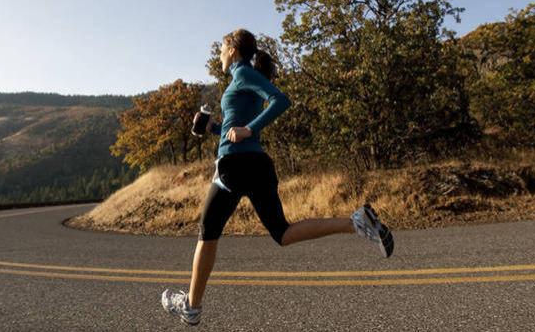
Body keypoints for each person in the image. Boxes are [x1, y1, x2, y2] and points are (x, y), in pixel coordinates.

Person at [161, 28, 393, 326]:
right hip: (256, 164)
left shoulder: (243, 73)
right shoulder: (243, 80)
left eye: (221, 48)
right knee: (282, 233)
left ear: (233, 49)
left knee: (207, 232)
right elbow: (237, 127)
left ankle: (191, 308)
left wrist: (247, 130)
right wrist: (211, 129)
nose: (219, 54)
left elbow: (281, 101)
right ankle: (357, 222)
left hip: (235, 165)